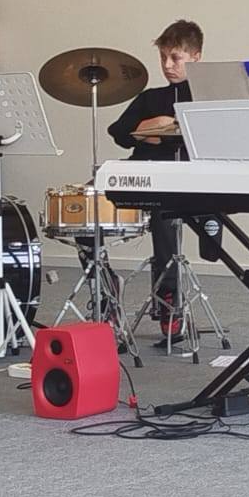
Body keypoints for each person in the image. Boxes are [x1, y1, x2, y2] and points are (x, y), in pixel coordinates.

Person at [106, 19, 202, 342]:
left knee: (164, 215)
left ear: (196, 57)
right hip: (141, 174)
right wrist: (148, 126)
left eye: (175, 58)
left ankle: (169, 302)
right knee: (84, 206)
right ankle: (106, 288)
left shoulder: (205, 99)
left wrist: (169, 131)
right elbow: (119, 133)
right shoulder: (150, 98)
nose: (167, 65)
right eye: (163, 58)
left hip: (181, 181)